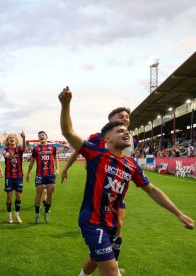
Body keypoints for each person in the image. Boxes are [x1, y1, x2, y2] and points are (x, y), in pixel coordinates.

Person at [58, 86, 194, 276]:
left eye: (126, 129)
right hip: (92, 221)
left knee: (95, 258)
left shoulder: (131, 165)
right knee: (111, 270)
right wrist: (66, 104)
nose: (126, 131)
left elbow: (153, 190)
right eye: (120, 130)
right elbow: (68, 131)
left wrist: (178, 214)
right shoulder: (96, 153)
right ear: (107, 139)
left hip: (111, 222)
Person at [61, 107, 132, 264]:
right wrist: (66, 168)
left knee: (119, 223)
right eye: (121, 116)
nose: (126, 119)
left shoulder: (127, 139)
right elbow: (78, 150)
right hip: (99, 185)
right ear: (110, 118)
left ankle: (114, 260)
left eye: (127, 117)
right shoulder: (97, 137)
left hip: (116, 186)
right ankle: (106, 257)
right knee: (99, 230)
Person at [26, 131, 59, 224]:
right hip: (40, 174)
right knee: (39, 193)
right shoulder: (36, 148)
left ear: (46, 137)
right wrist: (28, 173)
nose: (41, 136)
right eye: (39, 135)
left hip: (50, 174)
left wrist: (58, 169)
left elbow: (56, 158)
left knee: (50, 194)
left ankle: (46, 211)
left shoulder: (53, 147)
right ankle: (37, 214)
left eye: (42, 135)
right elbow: (32, 162)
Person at [2, 132, 26, 223]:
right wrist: (10, 154)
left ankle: (16, 214)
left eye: (13, 137)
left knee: (19, 196)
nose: (12, 138)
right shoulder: (5, 149)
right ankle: (9, 215)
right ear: (8, 141)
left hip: (19, 176)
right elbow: (7, 156)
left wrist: (24, 138)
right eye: (10, 138)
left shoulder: (19, 149)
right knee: (9, 196)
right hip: (9, 176)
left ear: (16, 140)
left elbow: (23, 148)